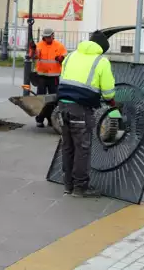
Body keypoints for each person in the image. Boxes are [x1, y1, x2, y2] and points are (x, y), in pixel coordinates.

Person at [57, 30, 115, 198]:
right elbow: (109, 93)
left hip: (62, 106)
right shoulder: (101, 61)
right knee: (82, 148)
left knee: (68, 146)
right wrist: (112, 103)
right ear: (102, 48)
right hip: (80, 109)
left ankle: (68, 185)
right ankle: (80, 187)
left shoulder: (71, 56)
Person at [33, 28, 67, 127]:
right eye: (46, 37)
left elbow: (65, 57)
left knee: (54, 99)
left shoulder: (59, 46)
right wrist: (33, 50)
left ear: (53, 35)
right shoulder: (39, 45)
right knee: (41, 99)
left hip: (54, 77)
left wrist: (61, 59)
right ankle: (40, 119)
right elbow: (34, 56)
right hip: (41, 76)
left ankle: (52, 119)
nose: (47, 38)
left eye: (49, 37)